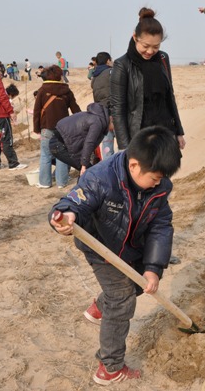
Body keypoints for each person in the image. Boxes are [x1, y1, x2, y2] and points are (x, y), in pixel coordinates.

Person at [48, 125, 182, 385]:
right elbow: (74, 202)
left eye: (162, 178)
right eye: (155, 177)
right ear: (134, 165)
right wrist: (66, 215)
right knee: (122, 298)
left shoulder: (160, 187)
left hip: (130, 245)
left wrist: (153, 268)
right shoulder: (100, 178)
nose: (159, 182)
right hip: (100, 247)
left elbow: (161, 225)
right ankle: (110, 367)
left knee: (141, 284)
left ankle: (100, 307)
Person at [110, 8, 185, 151]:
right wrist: (124, 148)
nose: (150, 51)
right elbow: (118, 109)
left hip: (165, 133)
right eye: (145, 46)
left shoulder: (163, 58)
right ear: (135, 37)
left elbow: (169, 97)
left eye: (156, 46)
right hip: (139, 137)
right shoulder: (122, 65)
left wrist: (178, 131)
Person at [33, 65, 81, 188]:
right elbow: (75, 110)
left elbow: (37, 110)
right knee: (62, 155)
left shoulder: (42, 90)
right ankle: (62, 182)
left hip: (47, 127)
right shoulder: (67, 91)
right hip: (63, 128)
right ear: (59, 76)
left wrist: (36, 128)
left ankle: (44, 182)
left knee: (46, 155)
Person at [49, 102, 110, 175]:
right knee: (89, 172)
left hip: (61, 141)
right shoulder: (97, 122)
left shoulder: (95, 118)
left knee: (87, 171)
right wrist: (84, 165)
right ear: (110, 118)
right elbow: (89, 143)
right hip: (59, 143)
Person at [91, 51, 115, 159]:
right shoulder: (111, 72)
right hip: (114, 112)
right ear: (108, 61)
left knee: (107, 144)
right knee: (124, 144)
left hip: (101, 114)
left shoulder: (94, 76)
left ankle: (108, 166)